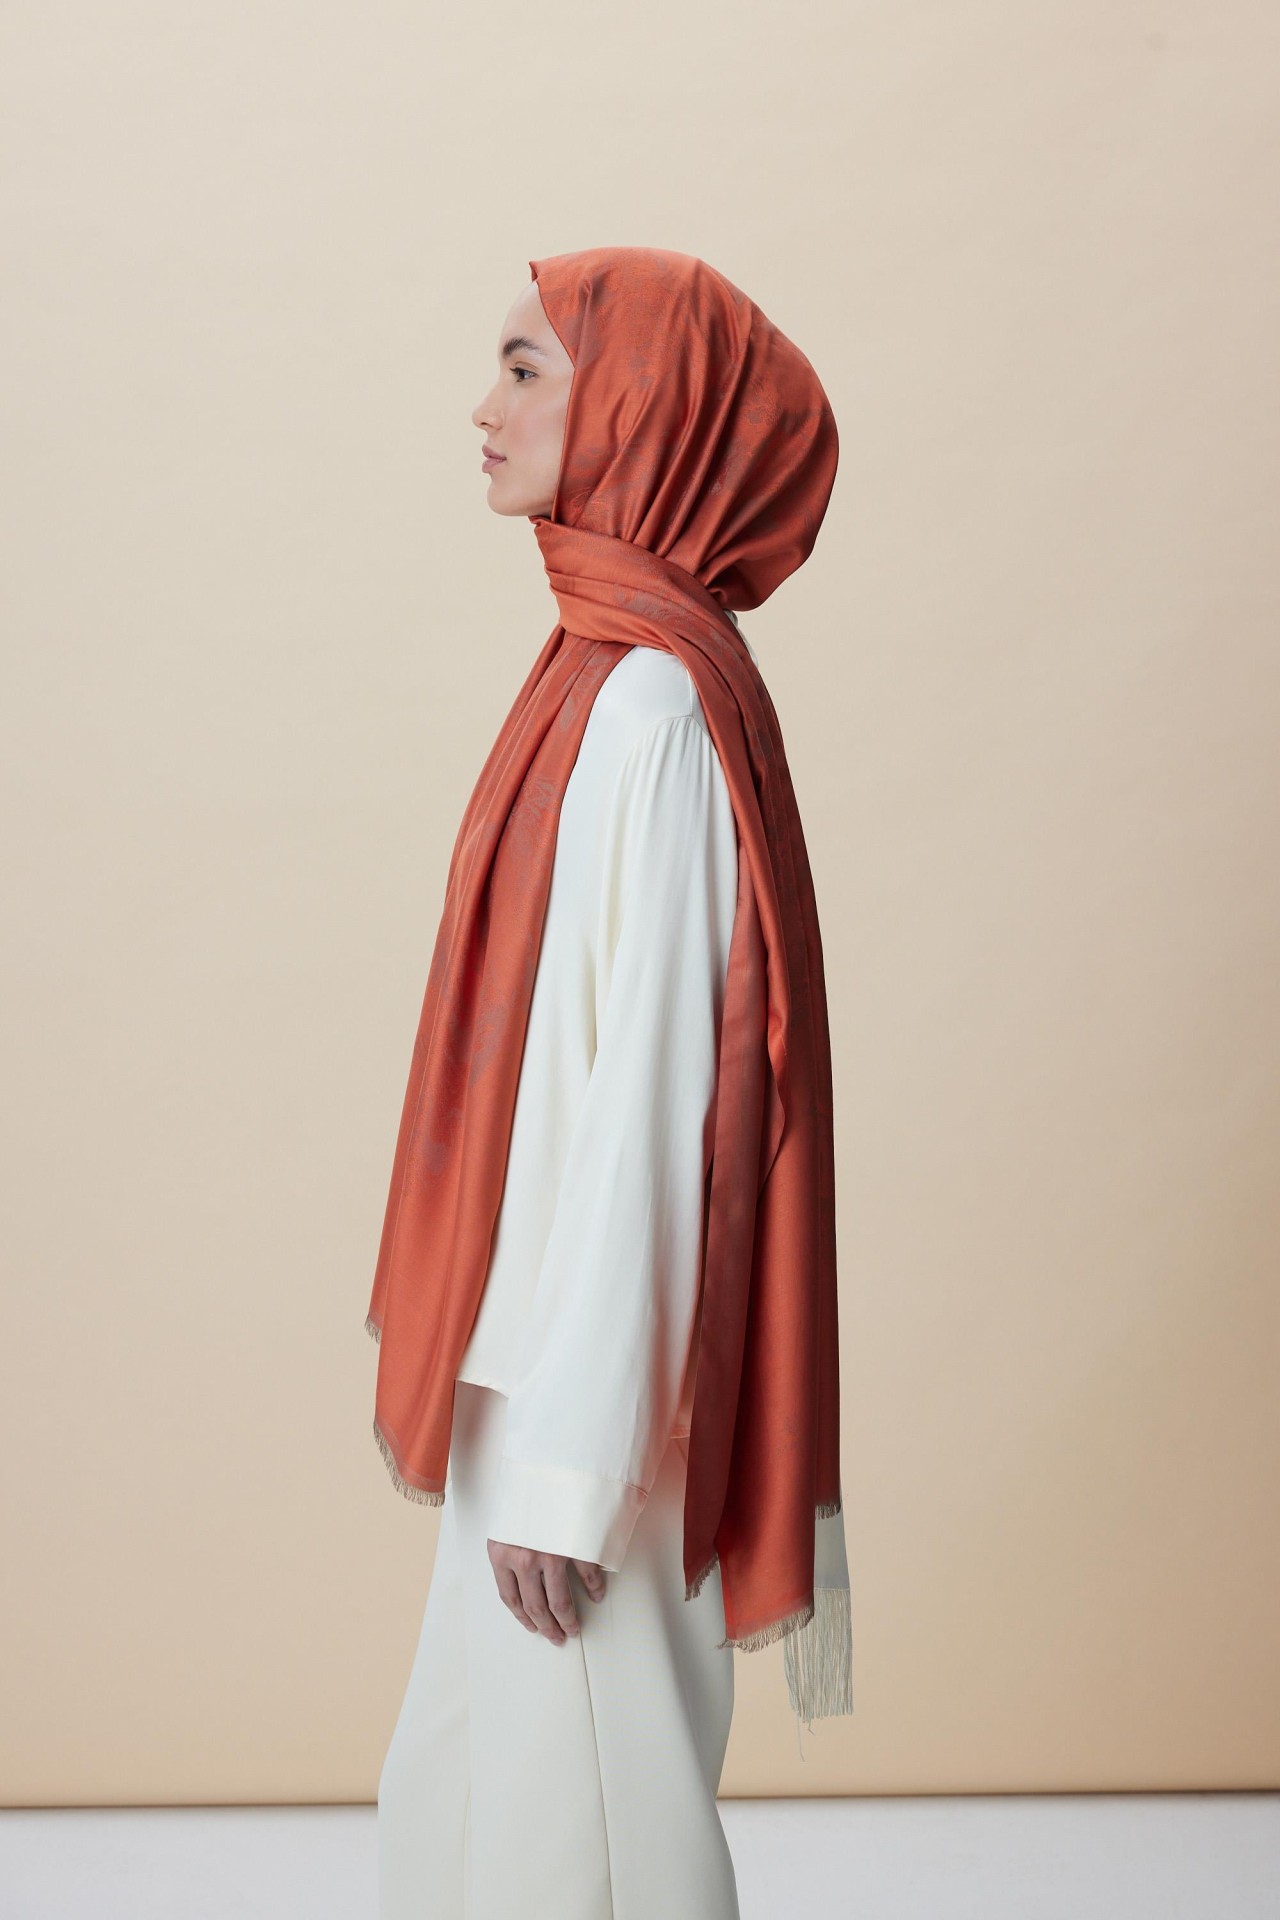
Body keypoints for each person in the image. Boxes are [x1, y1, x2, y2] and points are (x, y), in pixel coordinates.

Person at [368, 246, 852, 1920]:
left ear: (641, 406)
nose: (482, 408)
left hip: (586, 1409)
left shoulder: (651, 706)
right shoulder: (603, 674)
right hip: (536, 1375)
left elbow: (659, 1109)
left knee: (583, 1848)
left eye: (525, 368)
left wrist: (571, 1474)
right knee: (473, 1814)